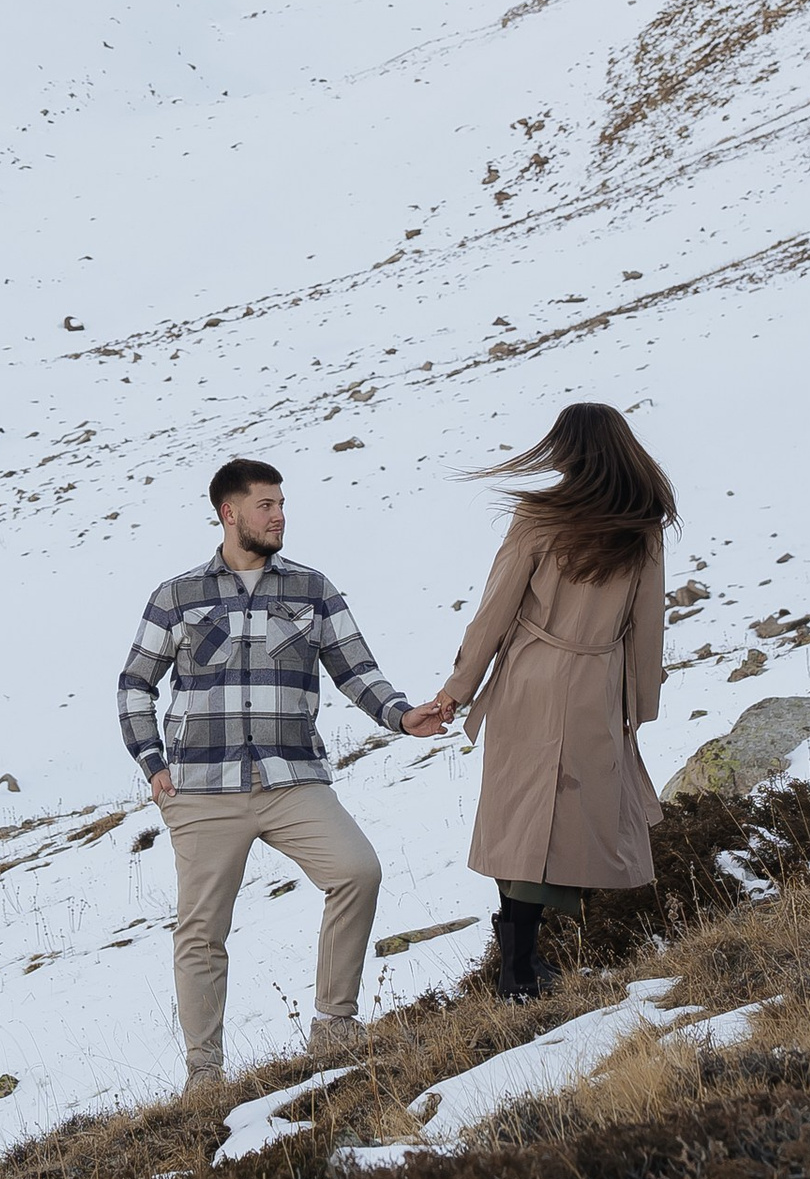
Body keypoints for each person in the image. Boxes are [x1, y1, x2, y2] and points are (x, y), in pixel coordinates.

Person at [119, 455, 443, 1081]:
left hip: (293, 777)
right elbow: (135, 683)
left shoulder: (312, 590)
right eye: (265, 505)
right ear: (229, 513)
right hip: (202, 788)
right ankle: (205, 1074)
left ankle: (334, 1027)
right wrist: (152, 761)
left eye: (282, 505)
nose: (279, 516)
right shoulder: (176, 596)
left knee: (357, 872)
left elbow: (356, 670)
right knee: (201, 932)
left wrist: (402, 717)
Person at [429, 402, 676, 1001]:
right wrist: (639, 704)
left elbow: (496, 608)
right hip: (596, 682)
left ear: (566, 451)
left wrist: (457, 690)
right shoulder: (641, 524)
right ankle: (523, 962)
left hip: (529, 679)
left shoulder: (539, 516)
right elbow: (648, 623)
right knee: (558, 820)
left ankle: (517, 965)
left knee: (520, 817)